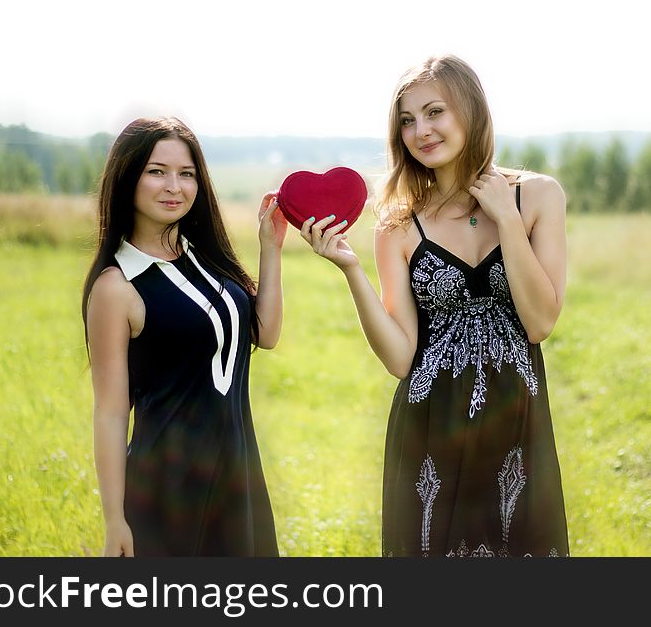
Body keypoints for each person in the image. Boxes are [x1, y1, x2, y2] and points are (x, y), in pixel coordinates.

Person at [302, 55, 569, 557]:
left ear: (470, 110)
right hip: (430, 434)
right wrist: (351, 269)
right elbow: (402, 358)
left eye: (434, 112)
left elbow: (540, 322)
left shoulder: (537, 197)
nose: (420, 130)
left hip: (517, 426)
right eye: (407, 120)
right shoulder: (398, 226)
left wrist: (506, 222)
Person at [82, 117, 285, 556]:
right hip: (166, 493)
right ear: (127, 177)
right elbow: (111, 413)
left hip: (238, 478)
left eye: (187, 174)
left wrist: (270, 248)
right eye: (157, 171)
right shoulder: (117, 288)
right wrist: (114, 519)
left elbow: (265, 334)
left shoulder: (207, 260)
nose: (174, 186)